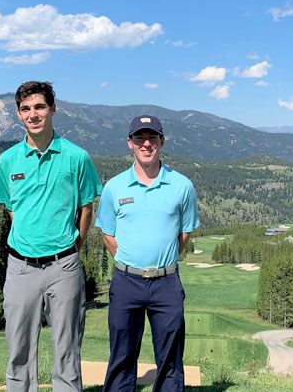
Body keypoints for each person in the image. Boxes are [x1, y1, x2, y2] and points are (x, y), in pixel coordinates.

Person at [0, 81, 102, 392]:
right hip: (20, 267)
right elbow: (12, 210)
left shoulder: (76, 157)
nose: (33, 114)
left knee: (67, 350)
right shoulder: (7, 161)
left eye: (40, 106)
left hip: (63, 266)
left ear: (53, 109)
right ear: (18, 114)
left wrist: (70, 247)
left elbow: (85, 209)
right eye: (26, 109)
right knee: (18, 351)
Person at [96, 115, 199, 392]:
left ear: (162, 142)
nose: (146, 144)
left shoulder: (182, 186)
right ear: (130, 143)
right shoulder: (114, 187)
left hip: (166, 283)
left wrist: (160, 261)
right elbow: (108, 233)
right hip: (126, 281)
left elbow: (185, 233)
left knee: (170, 360)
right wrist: (132, 260)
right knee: (121, 356)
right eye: (140, 138)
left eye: (152, 138)